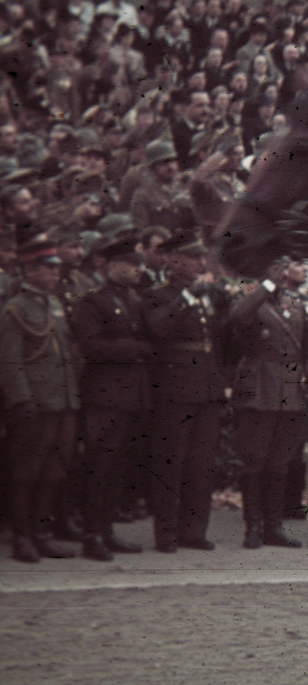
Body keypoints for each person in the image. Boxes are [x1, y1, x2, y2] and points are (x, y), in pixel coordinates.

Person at [227, 258, 308, 550]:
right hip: (259, 386)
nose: (287, 272)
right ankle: (253, 526)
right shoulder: (253, 300)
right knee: (255, 460)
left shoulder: (298, 302)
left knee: (280, 462)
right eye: (284, 266)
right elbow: (238, 317)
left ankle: (274, 526)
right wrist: (268, 284)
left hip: (290, 388)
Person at [143, 231, 228, 552]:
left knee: (201, 463)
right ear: (173, 260)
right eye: (193, 258)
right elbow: (160, 329)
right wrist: (189, 298)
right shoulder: (158, 295)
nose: (200, 264)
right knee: (170, 462)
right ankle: (166, 533)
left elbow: (218, 339)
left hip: (205, 385)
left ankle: (194, 530)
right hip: (175, 387)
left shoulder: (206, 294)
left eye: (200, 258)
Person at [68, 232, 151, 561]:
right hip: (105, 394)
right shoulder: (93, 301)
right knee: (100, 466)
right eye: (132, 266)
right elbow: (91, 346)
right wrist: (136, 349)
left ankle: (107, 531)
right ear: (114, 266)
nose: (138, 271)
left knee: (117, 467)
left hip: (131, 394)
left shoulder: (132, 299)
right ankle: (92, 535)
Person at [1, 234, 82, 562]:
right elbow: (10, 359)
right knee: (26, 472)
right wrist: (21, 400)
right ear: (29, 269)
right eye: (48, 269)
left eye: (56, 269)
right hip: (35, 402)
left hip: (63, 400)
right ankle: (23, 538)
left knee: (54, 471)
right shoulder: (14, 309)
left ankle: (42, 532)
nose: (55, 275)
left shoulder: (55, 304)